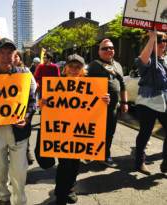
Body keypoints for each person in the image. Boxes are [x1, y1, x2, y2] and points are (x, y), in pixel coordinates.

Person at [42, 54, 110, 205]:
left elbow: (96, 109)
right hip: (62, 132)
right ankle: (60, 195)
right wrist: (44, 102)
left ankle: (70, 189)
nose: (74, 69)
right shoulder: (56, 85)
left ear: (82, 69)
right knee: (65, 165)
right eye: (71, 66)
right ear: (65, 68)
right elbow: (46, 109)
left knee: (75, 164)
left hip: (80, 133)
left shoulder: (91, 86)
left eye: (78, 66)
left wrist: (105, 100)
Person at [0, 38, 36, 205]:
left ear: (15, 54)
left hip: (18, 132)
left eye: (9, 52)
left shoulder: (23, 75)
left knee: (19, 172)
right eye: (1, 52)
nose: (5, 56)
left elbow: (32, 101)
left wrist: (26, 117)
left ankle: (20, 200)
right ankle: (4, 197)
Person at [87, 38, 128, 167]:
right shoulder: (93, 66)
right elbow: (83, 87)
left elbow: (123, 86)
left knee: (109, 132)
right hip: (95, 108)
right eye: (105, 48)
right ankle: (90, 153)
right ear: (99, 51)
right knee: (93, 132)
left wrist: (124, 102)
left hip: (113, 108)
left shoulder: (118, 65)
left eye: (111, 48)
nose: (109, 50)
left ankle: (105, 155)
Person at [134, 31, 167, 175]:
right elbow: (142, 60)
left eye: (165, 42)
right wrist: (152, 37)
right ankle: (139, 161)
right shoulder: (149, 59)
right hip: (147, 102)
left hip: (163, 102)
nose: (164, 45)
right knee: (145, 132)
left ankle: (166, 162)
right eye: (161, 42)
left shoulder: (164, 60)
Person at [13, 50, 37, 165]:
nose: (15, 58)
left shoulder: (25, 70)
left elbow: (33, 85)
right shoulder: (6, 71)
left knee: (24, 128)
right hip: (11, 107)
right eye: (13, 56)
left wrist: (28, 98)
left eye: (17, 56)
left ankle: (27, 151)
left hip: (25, 105)